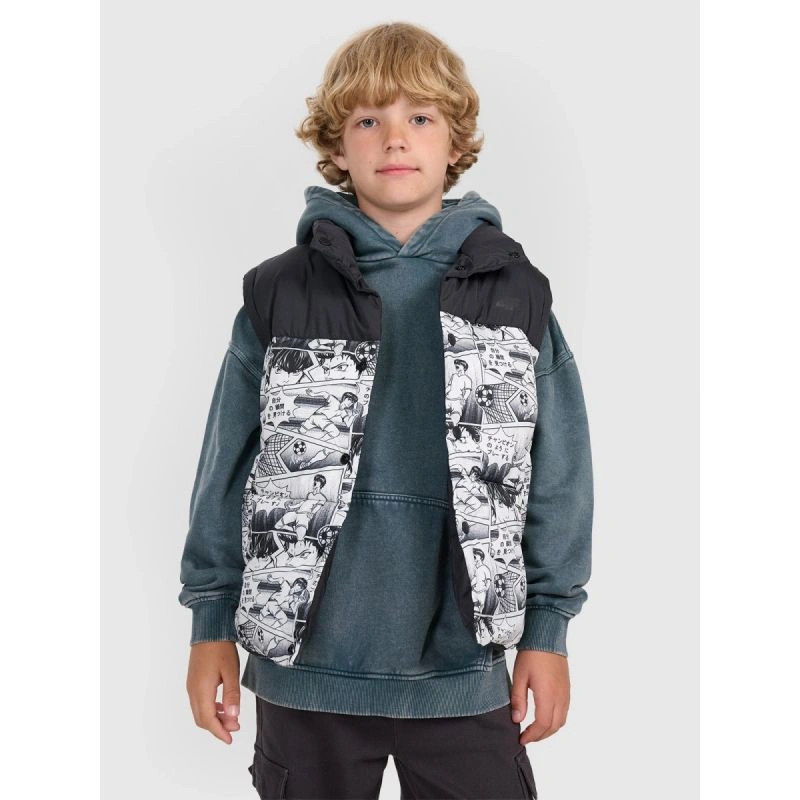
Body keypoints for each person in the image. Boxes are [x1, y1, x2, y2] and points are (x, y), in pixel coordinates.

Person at [178, 21, 593, 799]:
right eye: (368, 119)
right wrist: (210, 623)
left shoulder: (515, 296)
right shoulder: (279, 295)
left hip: (464, 669)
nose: (395, 138)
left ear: (455, 141)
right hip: (306, 671)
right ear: (337, 146)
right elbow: (224, 470)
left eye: (420, 117)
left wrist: (549, 630)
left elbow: (561, 475)